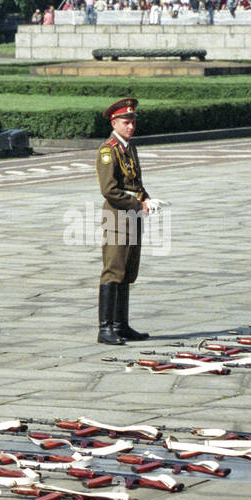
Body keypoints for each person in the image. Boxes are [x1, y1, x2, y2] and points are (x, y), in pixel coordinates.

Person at [95, 98, 158, 345]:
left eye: (132, 122)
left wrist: (147, 198)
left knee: (128, 270)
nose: (131, 127)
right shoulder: (108, 150)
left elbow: (135, 183)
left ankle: (121, 325)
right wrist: (137, 204)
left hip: (133, 216)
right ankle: (105, 328)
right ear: (114, 123)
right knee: (113, 270)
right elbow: (109, 190)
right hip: (117, 217)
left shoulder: (129, 148)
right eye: (126, 122)